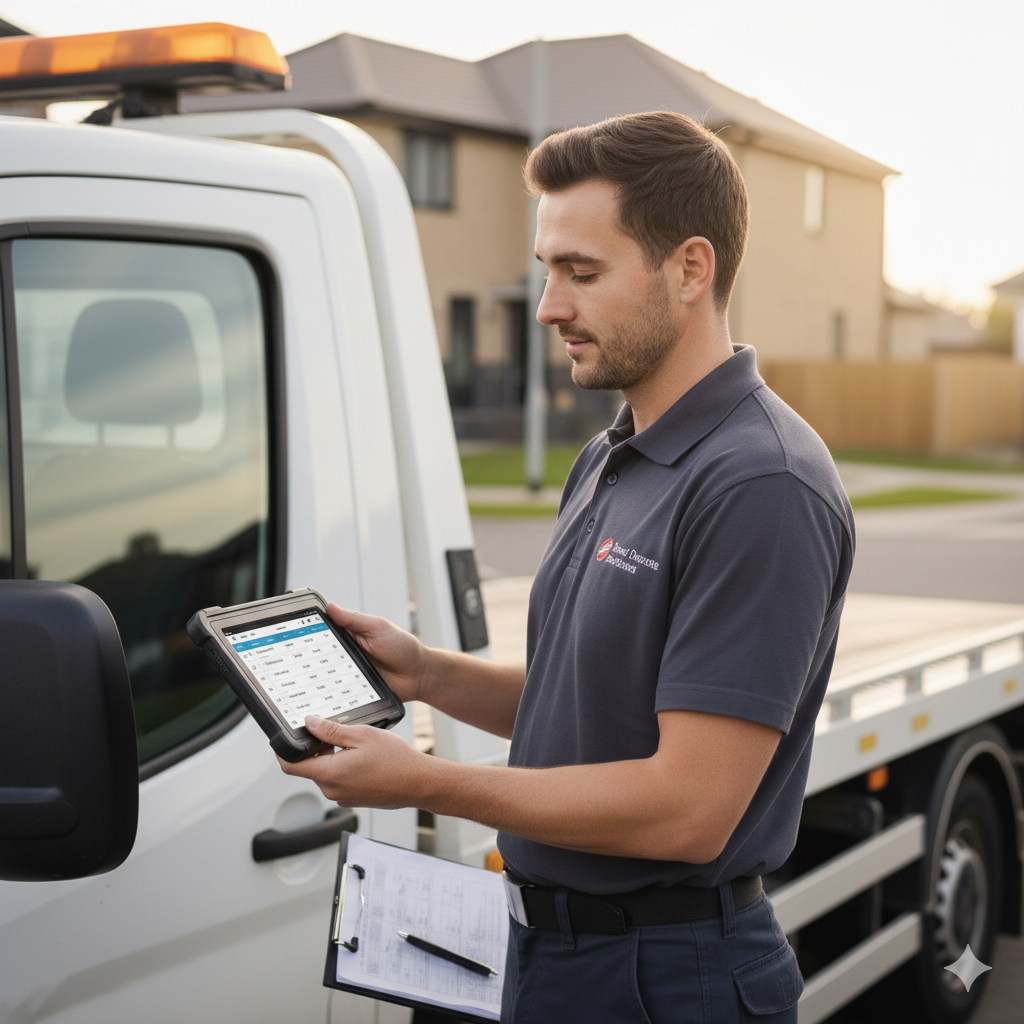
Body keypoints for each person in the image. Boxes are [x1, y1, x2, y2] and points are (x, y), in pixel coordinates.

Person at [281, 110, 855, 1023]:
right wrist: (427, 674)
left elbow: (686, 808)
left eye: (581, 273)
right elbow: (585, 700)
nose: (549, 306)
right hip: (548, 949)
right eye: (550, 269)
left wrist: (424, 783)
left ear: (691, 269)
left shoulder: (761, 484)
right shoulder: (612, 455)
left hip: (665, 976)